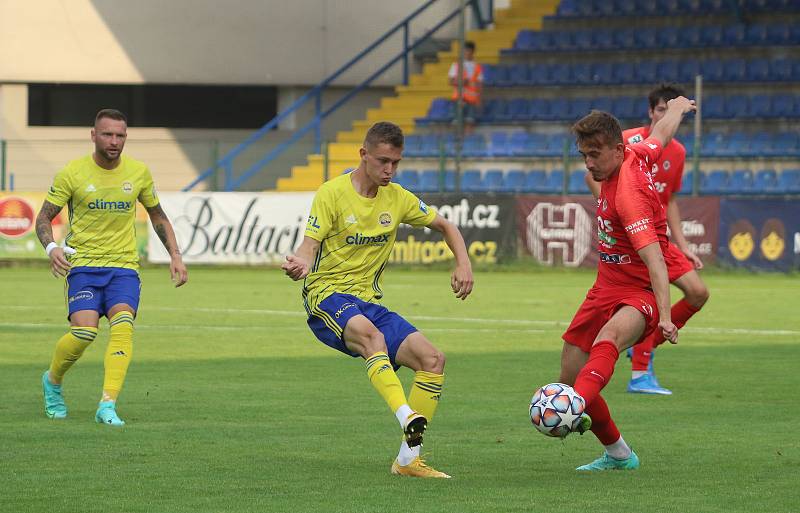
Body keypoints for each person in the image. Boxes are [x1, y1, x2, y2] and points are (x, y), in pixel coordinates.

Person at [281, 121, 473, 478]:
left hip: (369, 301)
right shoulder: (332, 193)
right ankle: (406, 416)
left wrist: (463, 263)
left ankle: (407, 461)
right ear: (363, 155)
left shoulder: (397, 198)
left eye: (396, 162)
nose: (389, 169)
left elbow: (448, 226)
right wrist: (300, 264)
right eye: (383, 160)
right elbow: (309, 247)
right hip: (326, 295)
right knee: (372, 336)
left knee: (433, 359)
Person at [559, 98, 696, 471]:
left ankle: (571, 410)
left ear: (617, 150)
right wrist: (678, 109)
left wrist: (665, 317)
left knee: (609, 341)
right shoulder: (637, 150)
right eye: (584, 154)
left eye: (595, 154)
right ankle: (619, 454)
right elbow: (661, 134)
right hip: (605, 285)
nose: (589, 163)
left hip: (641, 292)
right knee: (569, 377)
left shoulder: (628, 196)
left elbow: (656, 263)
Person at [36, 108, 187, 427]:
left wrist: (175, 255)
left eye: (120, 135)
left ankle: (107, 405)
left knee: (122, 327)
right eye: (107, 134)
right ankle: (52, 381)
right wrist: (51, 248)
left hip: (123, 268)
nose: (114, 141)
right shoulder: (72, 173)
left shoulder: (139, 172)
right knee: (84, 332)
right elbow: (44, 217)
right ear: (93, 135)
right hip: (84, 266)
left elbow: (158, 216)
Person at [584, 84, 710, 395]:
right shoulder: (625, 142)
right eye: (661, 110)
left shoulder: (675, 151)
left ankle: (646, 344)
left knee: (698, 292)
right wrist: (616, 211)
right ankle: (641, 372)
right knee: (647, 295)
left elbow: (670, 201)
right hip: (636, 235)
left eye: (671, 111)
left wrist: (683, 245)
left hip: (657, 235)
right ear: (651, 112)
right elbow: (592, 174)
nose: (666, 116)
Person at [448, 40, 483, 132]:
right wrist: (461, 82)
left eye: (468, 50)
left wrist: (479, 100)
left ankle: (467, 144)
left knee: (470, 122)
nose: (466, 53)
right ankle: (456, 143)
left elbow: (479, 84)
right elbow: (451, 81)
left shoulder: (477, 66)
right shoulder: (456, 65)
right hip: (458, 98)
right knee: (456, 122)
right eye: (464, 51)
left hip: (471, 99)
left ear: (472, 51)